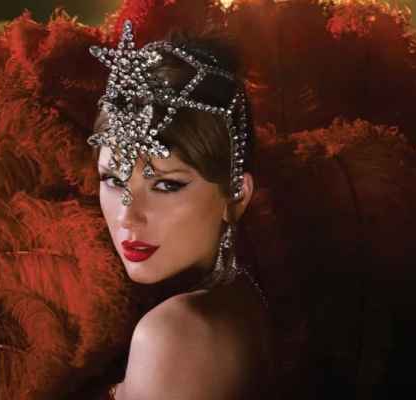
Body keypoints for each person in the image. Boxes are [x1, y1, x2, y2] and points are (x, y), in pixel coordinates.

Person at [87, 20, 275, 399]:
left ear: (236, 196)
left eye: (166, 185)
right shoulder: (241, 299)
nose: (127, 216)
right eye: (114, 180)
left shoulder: (173, 335)